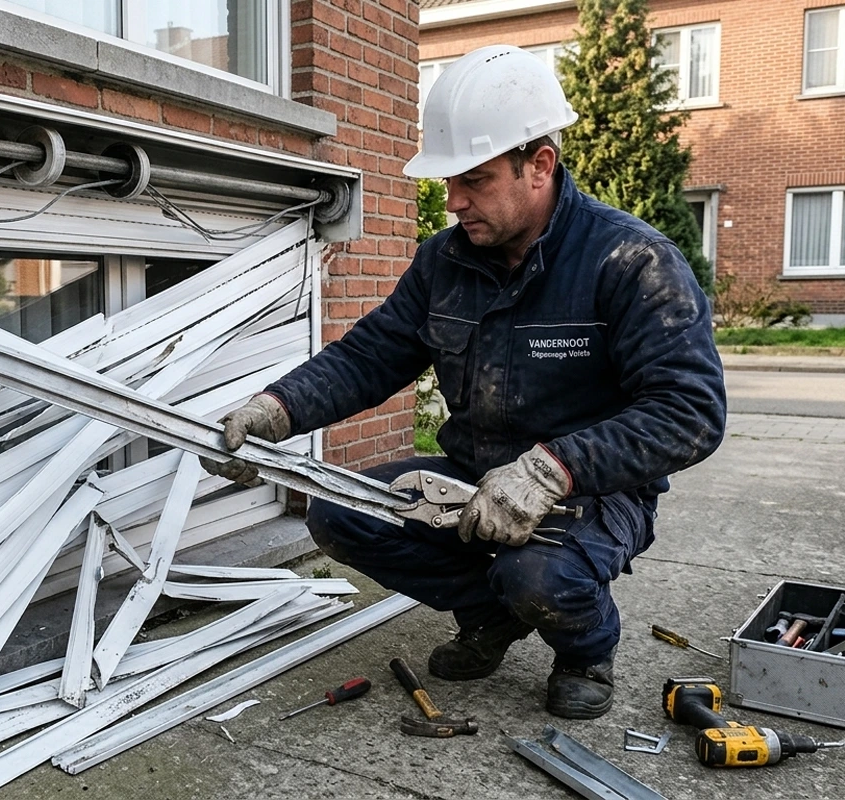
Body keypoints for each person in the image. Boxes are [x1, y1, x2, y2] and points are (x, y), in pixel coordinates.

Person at [200, 44, 727, 719]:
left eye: (473, 180)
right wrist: (275, 408)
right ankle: (491, 616)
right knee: (337, 512)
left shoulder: (628, 259)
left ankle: (585, 649)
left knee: (537, 574)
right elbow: (370, 357)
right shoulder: (443, 263)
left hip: (591, 493)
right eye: (449, 181)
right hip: (471, 473)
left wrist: (551, 471)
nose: (451, 201)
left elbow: (690, 412)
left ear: (539, 166)